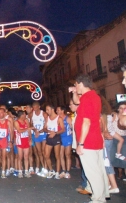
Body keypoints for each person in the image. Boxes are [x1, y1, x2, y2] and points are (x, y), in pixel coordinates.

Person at [69, 74, 109, 202]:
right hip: (95, 139)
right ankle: (101, 194)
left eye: (76, 85)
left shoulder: (87, 98)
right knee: (99, 170)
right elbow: (76, 101)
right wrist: (75, 92)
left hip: (88, 141)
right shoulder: (94, 96)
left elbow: (86, 122)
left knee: (93, 172)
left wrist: (81, 144)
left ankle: (98, 199)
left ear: (80, 83)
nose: (75, 87)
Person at [44, 104, 64, 179]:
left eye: (47, 109)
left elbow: (63, 129)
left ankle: (57, 172)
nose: (46, 111)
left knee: (57, 156)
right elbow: (44, 128)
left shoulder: (59, 118)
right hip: (49, 136)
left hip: (56, 137)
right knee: (46, 155)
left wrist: (55, 132)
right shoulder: (47, 118)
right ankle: (51, 170)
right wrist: (49, 131)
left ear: (52, 109)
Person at [0, 108, 13, 179]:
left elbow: (11, 132)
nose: (0, 114)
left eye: (1, 112)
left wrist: (11, 141)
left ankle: (3, 172)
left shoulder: (8, 122)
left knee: (4, 157)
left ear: (4, 113)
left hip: (4, 141)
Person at [14, 110, 32, 178]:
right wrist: (27, 128)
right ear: (21, 115)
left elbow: (29, 131)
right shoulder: (16, 122)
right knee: (20, 157)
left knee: (26, 156)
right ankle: (20, 171)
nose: (25, 116)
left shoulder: (26, 121)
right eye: (24, 114)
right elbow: (19, 130)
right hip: (20, 141)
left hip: (26, 140)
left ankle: (26, 171)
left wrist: (30, 139)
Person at [31, 101, 47, 177]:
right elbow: (31, 124)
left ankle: (46, 167)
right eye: (33, 107)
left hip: (43, 134)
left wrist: (40, 131)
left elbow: (46, 124)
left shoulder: (43, 114)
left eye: (36, 107)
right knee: (39, 152)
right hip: (36, 134)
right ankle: (43, 166)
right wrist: (35, 130)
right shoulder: (32, 114)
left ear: (39, 107)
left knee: (44, 151)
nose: (34, 108)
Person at [57, 105, 73, 179]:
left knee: (67, 155)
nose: (57, 111)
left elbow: (72, 128)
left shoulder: (67, 118)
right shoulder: (57, 119)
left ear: (62, 111)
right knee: (60, 155)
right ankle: (63, 170)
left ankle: (68, 171)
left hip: (67, 137)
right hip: (60, 138)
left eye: (58, 110)